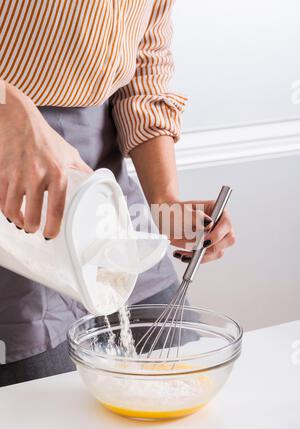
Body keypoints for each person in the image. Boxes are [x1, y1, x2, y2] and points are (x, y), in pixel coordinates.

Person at [0, 0, 235, 386]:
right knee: (44, 408)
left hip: (102, 189)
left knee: (177, 367)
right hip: (13, 199)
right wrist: (8, 107)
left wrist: (165, 200)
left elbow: (145, 62)